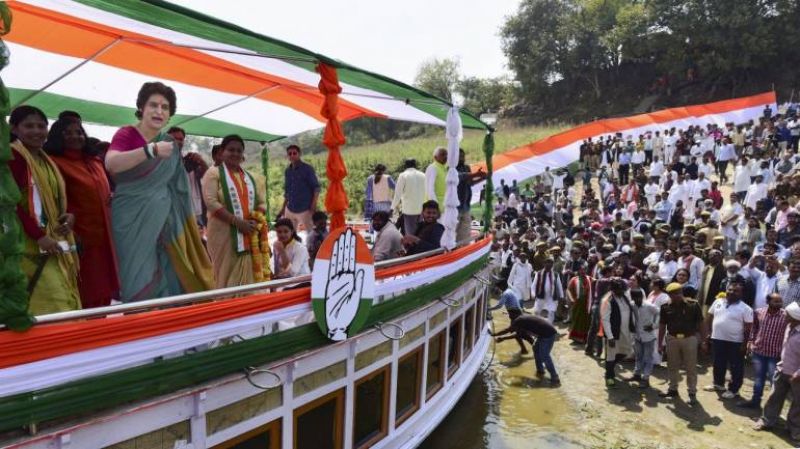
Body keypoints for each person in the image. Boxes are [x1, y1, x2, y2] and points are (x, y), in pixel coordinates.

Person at [104, 82, 213, 301]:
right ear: (141, 108)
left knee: (170, 271)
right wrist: (149, 150)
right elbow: (111, 163)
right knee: (135, 275)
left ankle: (165, 327)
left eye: (165, 107)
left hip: (167, 218)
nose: (159, 111)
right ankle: (140, 325)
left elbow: (179, 187)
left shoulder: (169, 143)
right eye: (153, 105)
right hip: (131, 219)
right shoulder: (127, 134)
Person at [8, 106, 81, 314]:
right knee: (53, 303)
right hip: (26, 246)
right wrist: (38, 235)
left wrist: (69, 215)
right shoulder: (15, 156)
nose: (37, 131)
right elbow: (8, 204)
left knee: (63, 295)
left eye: (41, 126)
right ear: (14, 129)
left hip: (52, 240)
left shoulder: (44, 159)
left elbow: (54, 197)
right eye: (29, 126)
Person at [44, 115, 119, 309]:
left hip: (106, 236)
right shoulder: (54, 162)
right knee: (87, 290)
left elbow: (102, 190)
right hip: (79, 236)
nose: (74, 136)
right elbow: (53, 200)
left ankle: (101, 330)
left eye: (78, 132)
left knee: (106, 288)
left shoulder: (94, 161)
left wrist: (110, 195)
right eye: (67, 133)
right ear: (56, 136)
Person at [201, 134, 269, 288]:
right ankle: (229, 308)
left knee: (251, 278)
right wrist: (237, 222)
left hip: (250, 233)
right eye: (231, 150)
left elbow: (262, 202)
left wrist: (255, 219)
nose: (235, 154)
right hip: (223, 235)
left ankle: (249, 308)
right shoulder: (213, 174)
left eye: (239, 150)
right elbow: (211, 202)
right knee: (224, 275)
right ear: (222, 152)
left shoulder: (253, 177)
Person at [754, 301, 800, 443]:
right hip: (782, 369)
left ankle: (794, 430)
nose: (784, 316)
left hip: (796, 375)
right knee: (774, 397)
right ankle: (767, 421)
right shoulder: (788, 327)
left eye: (787, 315)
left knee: (798, 404)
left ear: (795, 317)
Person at [703, 277, 753, 399]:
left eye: (735, 291)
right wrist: (708, 333)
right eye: (730, 289)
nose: (731, 292)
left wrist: (744, 344)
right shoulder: (718, 302)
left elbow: (748, 328)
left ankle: (734, 389)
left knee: (735, 366)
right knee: (718, 363)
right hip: (717, 339)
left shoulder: (746, 308)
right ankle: (718, 384)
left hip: (736, 342)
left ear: (741, 293)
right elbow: (709, 317)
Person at [658, 282, 705, 404]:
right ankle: (672, 389)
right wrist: (659, 343)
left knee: (690, 367)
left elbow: (701, 324)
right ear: (669, 295)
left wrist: (704, 341)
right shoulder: (665, 307)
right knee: (672, 365)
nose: (676, 296)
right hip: (672, 338)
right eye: (672, 294)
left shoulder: (693, 305)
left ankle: (692, 392)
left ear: (682, 292)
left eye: (678, 293)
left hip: (689, 339)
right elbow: (662, 326)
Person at [739, 293, 787, 409]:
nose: (779, 304)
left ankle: (773, 407)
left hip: (775, 354)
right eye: (776, 301)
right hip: (759, 351)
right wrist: (751, 341)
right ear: (768, 302)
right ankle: (755, 402)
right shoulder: (759, 312)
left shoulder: (785, 315)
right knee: (759, 378)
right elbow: (754, 328)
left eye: (780, 301)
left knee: (773, 381)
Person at [491, 309, 561, 385]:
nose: (509, 317)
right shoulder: (523, 319)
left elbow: (507, 330)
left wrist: (494, 334)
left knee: (544, 355)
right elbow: (519, 334)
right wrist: (503, 338)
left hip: (548, 335)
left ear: (515, 315)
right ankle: (540, 371)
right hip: (544, 333)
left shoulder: (519, 320)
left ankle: (555, 377)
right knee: (536, 349)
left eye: (510, 315)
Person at [169, 126, 208, 228]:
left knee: (199, 240)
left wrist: (201, 162)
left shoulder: (190, 159)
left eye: (181, 139)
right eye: (174, 139)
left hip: (195, 210)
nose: (178, 141)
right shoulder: (161, 161)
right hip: (174, 213)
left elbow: (206, 175)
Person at [601, 278, 637, 387]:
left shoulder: (625, 297)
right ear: (613, 289)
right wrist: (610, 337)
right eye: (619, 290)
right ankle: (609, 377)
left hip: (626, 331)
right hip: (614, 333)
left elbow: (631, 313)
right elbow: (605, 319)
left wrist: (633, 327)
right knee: (611, 355)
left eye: (623, 290)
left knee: (626, 352)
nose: (621, 292)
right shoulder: (607, 300)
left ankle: (610, 367)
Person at [279, 144, 320, 232]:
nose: (292, 155)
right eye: (290, 154)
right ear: (287, 156)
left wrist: (313, 206)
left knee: (312, 235)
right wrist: (283, 208)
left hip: (305, 209)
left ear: (299, 154)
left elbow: (316, 188)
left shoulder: (307, 169)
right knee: (290, 236)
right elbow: (287, 191)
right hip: (290, 209)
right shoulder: (287, 171)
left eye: (294, 153)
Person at [630, 280, 660, 388]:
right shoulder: (632, 305)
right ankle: (637, 374)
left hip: (648, 336)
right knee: (638, 356)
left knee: (648, 358)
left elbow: (659, 313)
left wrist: (654, 325)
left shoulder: (648, 306)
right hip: (638, 336)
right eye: (635, 298)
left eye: (639, 297)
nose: (637, 300)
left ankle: (646, 378)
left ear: (642, 297)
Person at [456, 149, 486, 242]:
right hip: (455, 207)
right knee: (452, 234)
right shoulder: (450, 169)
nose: (462, 158)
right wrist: (475, 174)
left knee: (465, 235)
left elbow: (470, 182)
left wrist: (482, 178)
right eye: (459, 156)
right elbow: (460, 176)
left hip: (466, 205)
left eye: (463, 156)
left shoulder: (467, 167)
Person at [392, 158, 427, 234]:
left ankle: (412, 246)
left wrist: (392, 208)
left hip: (409, 210)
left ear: (405, 165)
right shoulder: (423, 175)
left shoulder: (403, 175)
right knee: (420, 233)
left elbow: (397, 194)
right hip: (421, 209)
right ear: (415, 165)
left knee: (410, 234)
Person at [532, 257, 564, 324]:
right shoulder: (539, 273)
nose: (548, 264)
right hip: (541, 295)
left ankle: (549, 326)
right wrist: (533, 294)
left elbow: (559, 286)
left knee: (551, 311)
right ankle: (536, 324)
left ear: (552, 264)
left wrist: (561, 295)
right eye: (547, 262)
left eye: (550, 263)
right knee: (537, 311)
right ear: (544, 263)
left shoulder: (555, 274)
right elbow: (534, 285)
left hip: (551, 296)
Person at [566, 262, 593, 342]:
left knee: (586, 321)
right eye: (581, 270)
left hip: (587, 304)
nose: (583, 271)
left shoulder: (590, 279)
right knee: (576, 320)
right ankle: (576, 337)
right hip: (577, 303)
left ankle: (584, 338)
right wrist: (571, 299)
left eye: (584, 269)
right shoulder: (574, 279)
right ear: (578, 271)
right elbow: (568, 290)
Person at [425, 147, 448, 211]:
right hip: (436, 207)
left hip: (444, 206)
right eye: (443, 155)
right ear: (435, 157)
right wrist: (435, 206)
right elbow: (430, 189)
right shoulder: (433, 168)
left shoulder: (444, 169)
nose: (446, 157)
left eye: (446, 155)